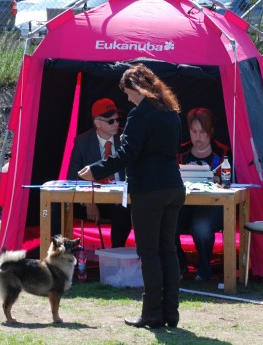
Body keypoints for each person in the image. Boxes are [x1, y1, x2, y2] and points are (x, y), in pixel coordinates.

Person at [78, 64, 185, 329]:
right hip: (173, 187)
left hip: (149, 191)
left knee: (149, 253)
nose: (127, 98)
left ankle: (151, 314)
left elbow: (127, 155)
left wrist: (96, 170)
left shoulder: (141, 114)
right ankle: (170, 313)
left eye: (128, 92)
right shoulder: (171, 112)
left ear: (137, 88)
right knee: (168, 250)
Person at [67, 98, 132, 248]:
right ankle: (60, 256)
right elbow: (72, 178)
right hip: (92, 198)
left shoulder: (127, 139)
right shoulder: (82, 142)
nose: (116, 123)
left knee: (122, 212)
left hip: (120, 200)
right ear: (97, 123)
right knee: (57, 207)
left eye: (117, 119)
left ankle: (116, 255)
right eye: (111, 121)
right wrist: (88, 201)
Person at [176, 107, 230, 281]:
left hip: (212, 205)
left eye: (202, 132)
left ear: (211, 131)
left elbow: (229, 182)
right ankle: (180, 265)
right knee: (166, 223)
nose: (197, 137)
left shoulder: (223, 153)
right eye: (194, 132)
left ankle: (205, 268)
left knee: (201, 228)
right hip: (183, 204)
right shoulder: (180, 153)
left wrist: (218, 181)